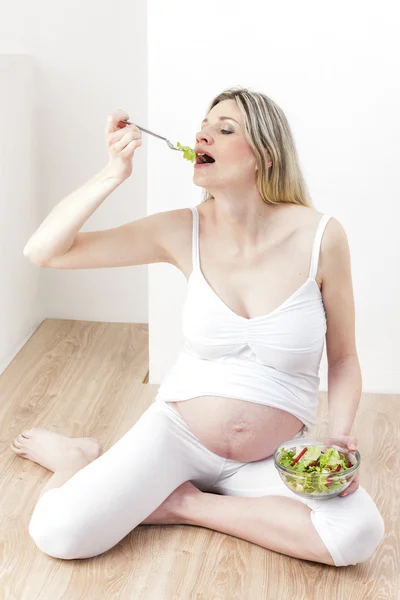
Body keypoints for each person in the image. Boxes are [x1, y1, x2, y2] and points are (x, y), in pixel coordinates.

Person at [12, 87, 384, 567]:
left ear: (265, 155)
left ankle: (182, 503)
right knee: (58, 534)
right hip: (176, 438)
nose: (202, 133)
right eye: (205, 124)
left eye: (225, 128)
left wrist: (337, 436)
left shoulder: (320, 236)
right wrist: (113, 173)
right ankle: (76, 460)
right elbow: (44, 252)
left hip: (269, 457)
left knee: (357, 533)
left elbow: (344, 358)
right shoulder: (180, 229)